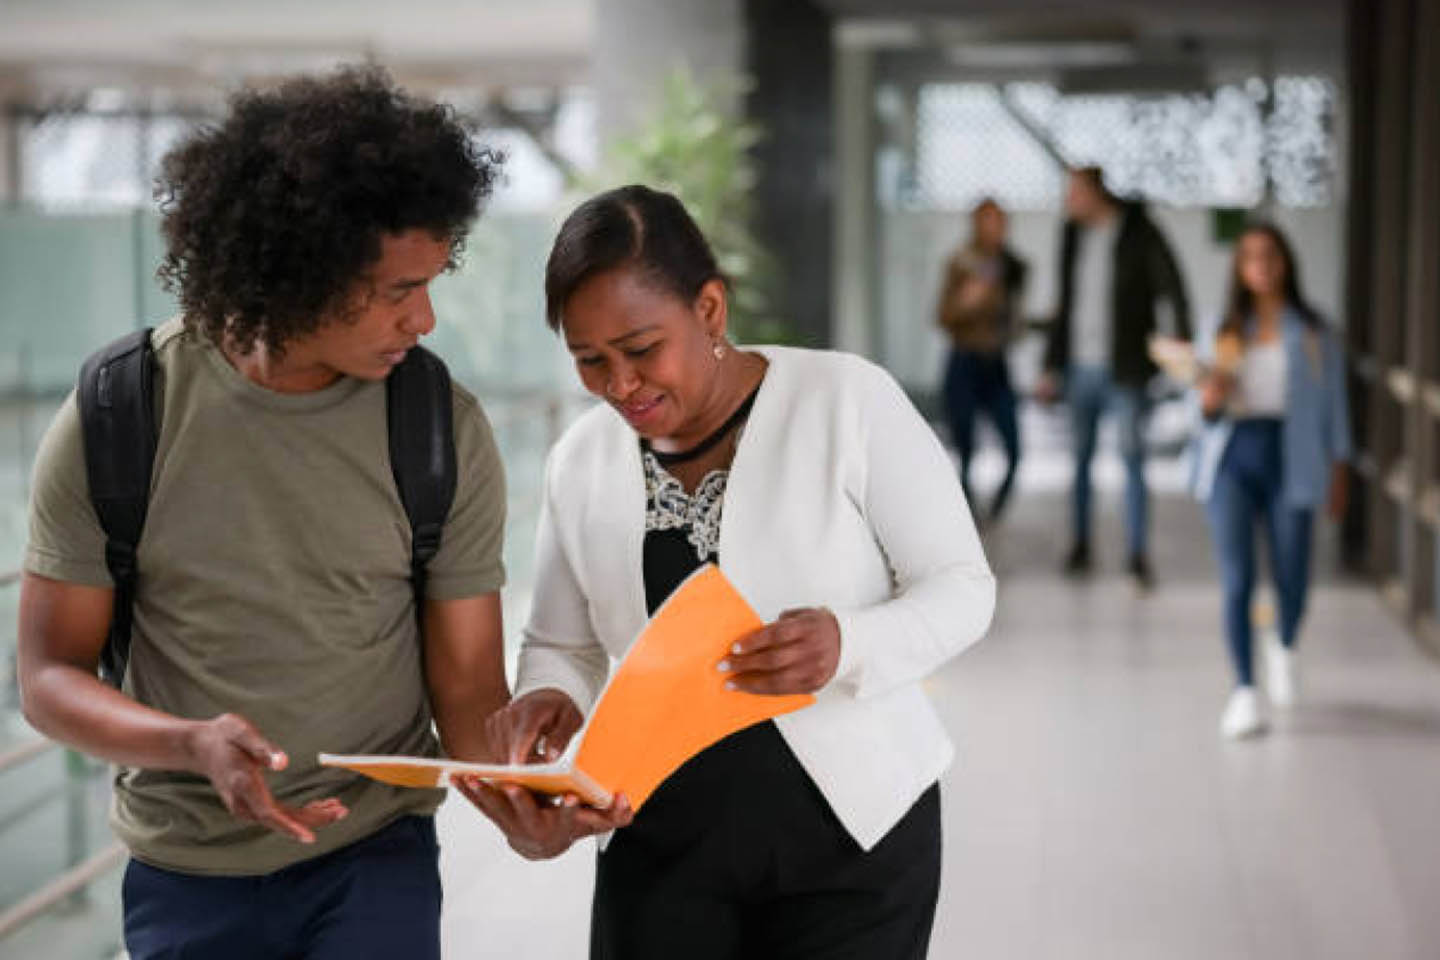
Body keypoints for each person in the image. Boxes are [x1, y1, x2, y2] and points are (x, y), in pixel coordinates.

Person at [18, 67, 512, 959]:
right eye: (398, 290)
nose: (426, 318)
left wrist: (528, 795)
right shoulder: (119, 414)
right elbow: (49, 678)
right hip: (184, 866)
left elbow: (471, 688)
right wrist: (190, 743)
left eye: (431, 282)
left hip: (374, 854)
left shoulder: (439, 429)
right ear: (299, 273)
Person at [453, 185, 996, 958]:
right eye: (589, 361)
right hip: (657, 840)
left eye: (641, 350)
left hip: (855, 839)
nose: (620, 385)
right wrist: (550, 694)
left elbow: (962, 588)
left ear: (710, 310)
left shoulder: (844, 400)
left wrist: (849, 643)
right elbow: (562, 642)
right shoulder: (582, 460)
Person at [1191, 223, 1350, 739]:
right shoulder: (1221, 327)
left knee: (1293, 574)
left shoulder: (1311, 329)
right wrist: (1209, 400)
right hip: (1234, 456)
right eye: (1250, 256)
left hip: (1293, 456)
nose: (1260, 265)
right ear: (1239, 266)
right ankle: (1243, 691)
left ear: (1285, 262)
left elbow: (1335, 408)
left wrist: (1340, 469)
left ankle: (1284, 643)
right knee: (1237, 580)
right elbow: (1199, 413)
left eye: (1270, 255)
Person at [1036, 166, 1192, 587]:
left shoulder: (1140, 231)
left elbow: (1171, 286)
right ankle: (1081, 545)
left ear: (1095, 193)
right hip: (1079, 365)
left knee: (1133, 458)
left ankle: (1137, 552)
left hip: (1125, 367)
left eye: (1074, 192)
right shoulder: (1071, 235)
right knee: (1080, 460)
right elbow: (1063, 301)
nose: (1068, 201)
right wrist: (1050, 364)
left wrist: (1181, 343)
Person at [936, 197, 1028, 524]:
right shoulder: (960, 263)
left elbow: (1016, 318)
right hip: (964, 360)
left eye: (1001, 221)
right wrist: (969, 301)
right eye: (990, 221)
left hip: (996, 362)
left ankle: (996, 509)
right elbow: (943, 316)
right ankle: (967, 512)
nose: (997, 229)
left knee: (1015, 447)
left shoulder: (1014, 266)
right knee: (965, 447)